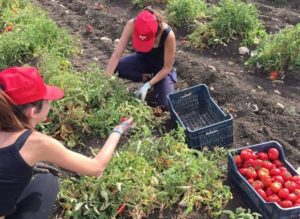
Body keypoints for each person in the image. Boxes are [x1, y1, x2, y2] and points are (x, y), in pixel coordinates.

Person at [0, 66, 134, 219]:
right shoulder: (36, 143)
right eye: (47, 100)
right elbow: (97, 168)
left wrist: (19, 168)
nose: (50, 102)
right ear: (33, 112)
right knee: (47, 181)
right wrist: (118, 131)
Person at [105, 7, 177, 110]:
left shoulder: (168, 35)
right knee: (118, 67)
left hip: (162, 69)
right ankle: (146, 77)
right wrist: (105, 81)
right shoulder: (132, 24)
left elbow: (167, 68)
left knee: (165, 105)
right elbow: (117, 54)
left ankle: (154, 83)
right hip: (142, 60)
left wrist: (147, 85)